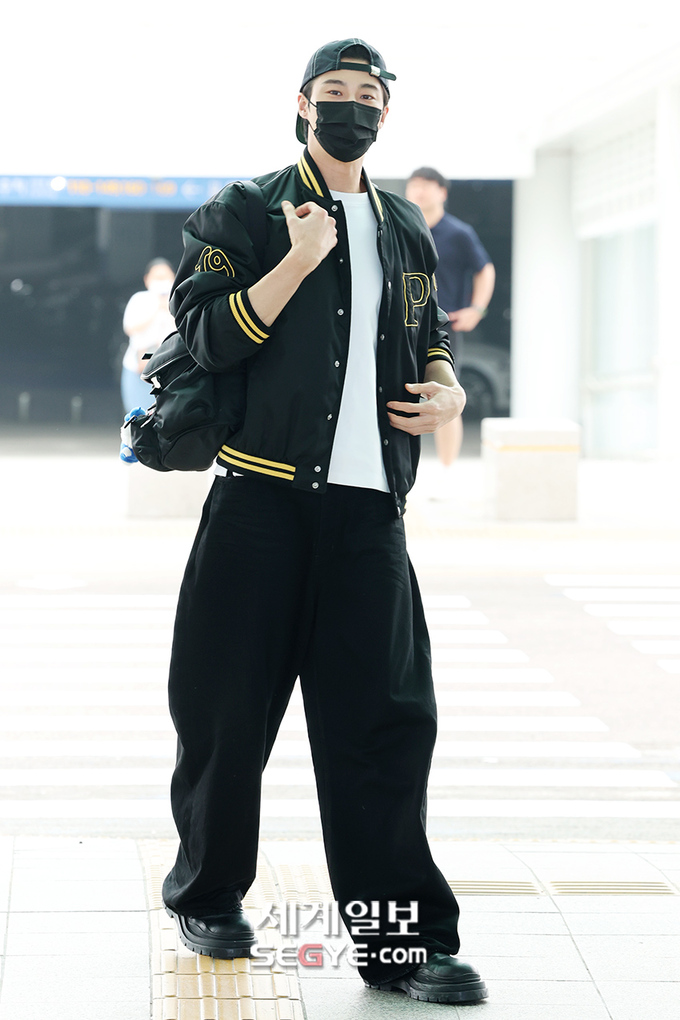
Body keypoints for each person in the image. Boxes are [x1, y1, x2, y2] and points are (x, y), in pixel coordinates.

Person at [161, 38, 487, 1006]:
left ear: (385, 111)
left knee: (386, 727)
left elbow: (428, 331)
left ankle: (402, 945)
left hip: (368, 516)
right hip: (257, 505)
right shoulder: (245, 209)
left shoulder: (404, 224)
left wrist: (446, 387)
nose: (352, 106)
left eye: (368, 93)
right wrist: (297, 262)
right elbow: (204, 336)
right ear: (303, 104)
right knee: (225, 715)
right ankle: (208, 896)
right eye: (333, 91)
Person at [405, 168, 495, 465]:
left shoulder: (458, 233)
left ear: (442, 192)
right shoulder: (402, 227)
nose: (419, 191)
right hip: (402, 323)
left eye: (426, 185)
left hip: (443, 327)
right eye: (414, 185)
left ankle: (447, 469)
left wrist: (477, 309)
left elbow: (485, 269)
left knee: (446, 393)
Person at [120, 258, 176, 412]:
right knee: (138, 413)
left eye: (165, 277)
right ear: (147, 279)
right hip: (138, 367)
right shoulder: (139, 299)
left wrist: (168, 310)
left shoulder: (179, 299)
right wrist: (157, 309)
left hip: (169, 368)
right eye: (157, 277)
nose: (162, 281)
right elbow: (130, 328)